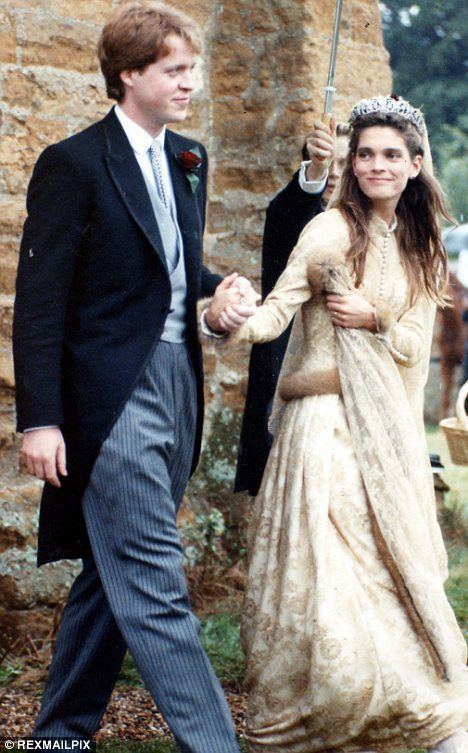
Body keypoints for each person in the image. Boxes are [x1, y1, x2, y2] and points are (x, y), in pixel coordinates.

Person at [12, 2, 256, 749]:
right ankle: (214, 743)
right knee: (152, 578)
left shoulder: (188, 158)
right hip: (109, 400)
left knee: (110, 565)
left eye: (192, 69)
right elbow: (40, 302)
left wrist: (219, 292)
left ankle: (57, 733)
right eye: (175, 70)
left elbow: (165, 269)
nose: (191, 83)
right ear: (129, 75)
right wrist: (40, 418)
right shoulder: (74, 163)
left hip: (179, 387)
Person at [229, 96, 468, 752]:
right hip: (324, 432)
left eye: (392, 154)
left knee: (392, 577)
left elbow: (417, 342)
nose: (377, 165)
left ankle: (410, 710)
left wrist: (376, 316)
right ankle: (330, 714)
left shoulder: (423, 248)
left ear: (417, 164)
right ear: (350, 161)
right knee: (333, 580)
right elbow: (276, 313)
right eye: (365, 153)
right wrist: (224, 319)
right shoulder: (330, 230)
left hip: (384, 437)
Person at [235, 121, 350, 496]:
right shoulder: (296, 216)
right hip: (292, 390)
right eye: (325, 163)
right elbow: (290, 211)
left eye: (344, 163)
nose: (334, 174)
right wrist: (314, 172)